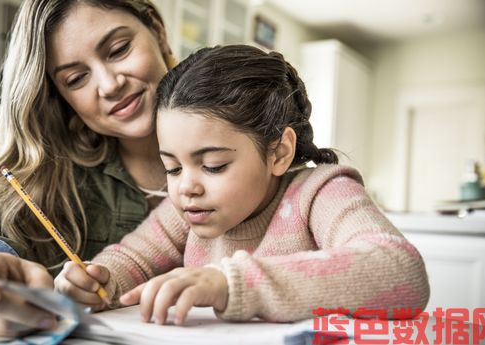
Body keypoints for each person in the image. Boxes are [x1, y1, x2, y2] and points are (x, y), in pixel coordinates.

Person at [55, 45, 430, 325]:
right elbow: (131, 259)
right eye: (171, 168)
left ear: (279, 152)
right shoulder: (186, 211)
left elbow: (401, 271)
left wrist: (231, 282)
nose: (187, 187)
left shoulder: (321, 193)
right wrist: (98, 280)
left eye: (214, 166)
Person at [0, 0, 176, 336]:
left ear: (158, 31)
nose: (109, 85)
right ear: (60, 94)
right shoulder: (60, 182)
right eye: (76, 78)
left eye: (119, 50)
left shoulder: (250, 125)